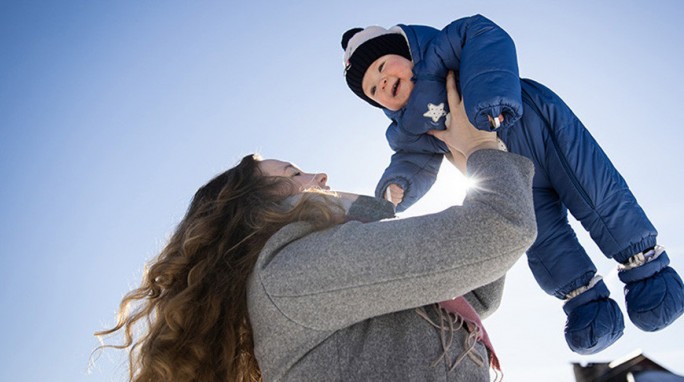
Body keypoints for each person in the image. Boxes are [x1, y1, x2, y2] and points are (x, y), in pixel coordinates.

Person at [95, 73, 537, 381]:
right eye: (292, 173)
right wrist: (483, 151)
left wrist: (473, 170)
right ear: (255, 210)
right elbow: (502, 229)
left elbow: (477, 291)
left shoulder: (323, 258)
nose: (320, 176)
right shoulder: (291, 270)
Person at [341, 13, 684, 354]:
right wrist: (396, 187)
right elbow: (410, 161)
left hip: (542, 129)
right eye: (373, 89)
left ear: (407, 51)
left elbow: (484, 34)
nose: (383, 82)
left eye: (383, 66)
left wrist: (489, 94)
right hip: (505, 172)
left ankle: (648, 271)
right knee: (539, 234)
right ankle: (585, 303)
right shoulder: (408, 130)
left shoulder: (441, 52)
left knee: (596, 193)